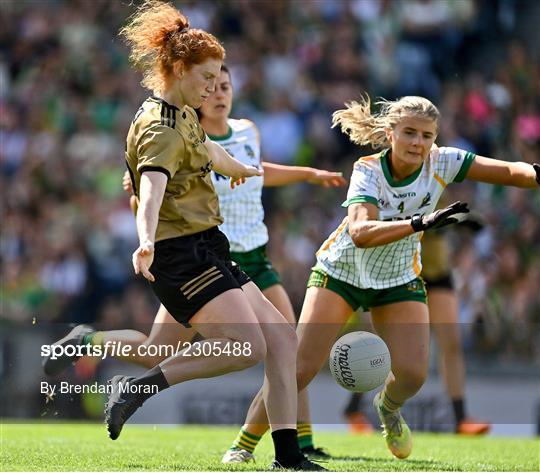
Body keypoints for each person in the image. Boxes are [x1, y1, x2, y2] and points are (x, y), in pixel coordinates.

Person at [42, 54, 345, 467]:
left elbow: (220, 158)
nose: (215, 90)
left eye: (223, 84)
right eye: (208, 80)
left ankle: (288, 455)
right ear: (183, 76)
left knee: (278, 340)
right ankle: (151, 398)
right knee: (248, 347)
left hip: (220, 252)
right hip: (187, 257)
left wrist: (257, 170)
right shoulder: (165, 128)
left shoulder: (207, 123)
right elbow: (148, 190)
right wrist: (145, 239)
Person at [219, 94, 540, 460]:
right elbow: (360, 232)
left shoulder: (444, 161)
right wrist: (419, 222)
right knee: (298, 369)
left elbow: (513, 172)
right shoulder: (368, 169)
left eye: (427, 135)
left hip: (397, 277)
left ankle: (386, 407)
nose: (418, 143)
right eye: (410, 133)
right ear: (391, 133)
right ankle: (242, 445)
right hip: (342, 271)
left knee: (413, 375)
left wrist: (536, 172)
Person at [343, 221, 491, 436]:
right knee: (382, 343)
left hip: (437, 269)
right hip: (402, 270)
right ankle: (354, 407)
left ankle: (461, 418)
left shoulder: (441, 187)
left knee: (452, 342)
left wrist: (460, 220)